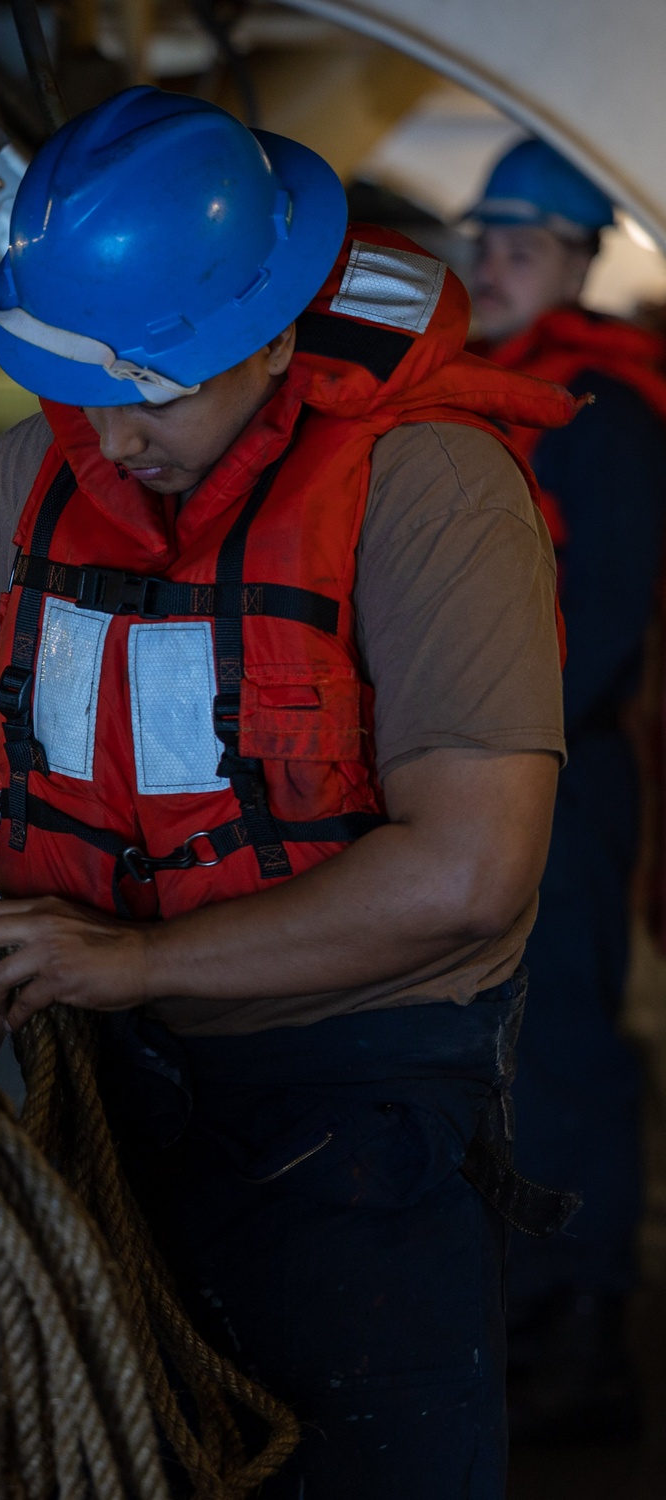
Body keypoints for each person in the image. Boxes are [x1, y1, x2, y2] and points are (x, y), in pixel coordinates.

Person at [0, 88, 577, 1497]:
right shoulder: (44, 468)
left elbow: (474, 868)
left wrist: (147, 960)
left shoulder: (430, 492)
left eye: (151, 390)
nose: (109, 440)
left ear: (272, 338)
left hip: (346, 1138)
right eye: (85, 391)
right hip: (90, 1099)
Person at [468, 137, 666, 1442]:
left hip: (561, 766)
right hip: (499, 761)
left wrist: (499, 752)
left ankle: (583, 1328)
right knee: (511, 1044)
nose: (488, 263)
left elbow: (604, 619)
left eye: (519, 245)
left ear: (583, 260)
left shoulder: (605, 408)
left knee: (566, 1051)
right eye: (479, 238)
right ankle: (532, 1303)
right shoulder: (502, 388)